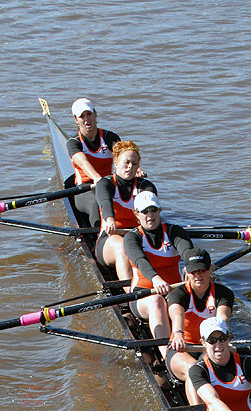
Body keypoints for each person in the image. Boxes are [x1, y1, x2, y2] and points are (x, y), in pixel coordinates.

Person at [121, 191, 193, 358]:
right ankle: (168, 355)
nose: (150, 215)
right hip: (144, 294)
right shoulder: (132, 237)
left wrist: (192, 268)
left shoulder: (175, 231)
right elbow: (140, 260)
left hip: (175, 290)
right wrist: (156, 279)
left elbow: (188, 252)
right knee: (157, 301)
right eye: (145, 211)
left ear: (159, 211)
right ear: (136, 214)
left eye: (153, 210)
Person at [166, 248, 235, 393]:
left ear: (210, 270)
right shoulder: (178, 294)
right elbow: (176, 315)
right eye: (193, 272)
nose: (198, 275)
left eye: (202, 271)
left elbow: (222, 318)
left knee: (219, 369)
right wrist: (178, 334)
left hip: (211, 346)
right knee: (195, 370)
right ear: (187, 273)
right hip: (182, 348)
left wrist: (222, 340)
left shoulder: (224, 294)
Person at [94, 141, 157, 280]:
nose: (130, 167)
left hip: (138, 237)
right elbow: (105, 202)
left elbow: (152, 216)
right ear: (116, 163)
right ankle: (131, 296)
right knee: (123, 247)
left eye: (134, 164)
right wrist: (110, 219)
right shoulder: (106, 183)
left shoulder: (146, 187)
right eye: (126, 162)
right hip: (110, 238)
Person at [66, 98, 120, 227]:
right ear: (76, 120)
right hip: (84, 190)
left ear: (95, 114)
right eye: (82, 116)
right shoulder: (73, 142)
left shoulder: (109, 137)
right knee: (96, 205)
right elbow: (83, 163)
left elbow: (123, 155)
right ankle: (97, 240)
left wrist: (136, 167)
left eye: (89, 114)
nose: (86, 119)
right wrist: (97, 178)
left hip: (107, 184)